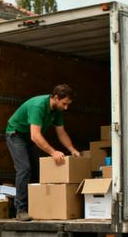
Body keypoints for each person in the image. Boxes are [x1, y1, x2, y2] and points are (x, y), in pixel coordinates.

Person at [5, 84, 81, 221]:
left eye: (68, 105)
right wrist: (53, 152)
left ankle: (36, 207)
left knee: (38, 170)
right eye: (64, 104)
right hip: (16, 134)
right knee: (24, 168)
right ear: (56, 98)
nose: (66, 108)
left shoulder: (57, 110)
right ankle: (20, 210)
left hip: (29, 137)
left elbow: (61, 133)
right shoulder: (38, 106)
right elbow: (35, 136)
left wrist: (72, 150)